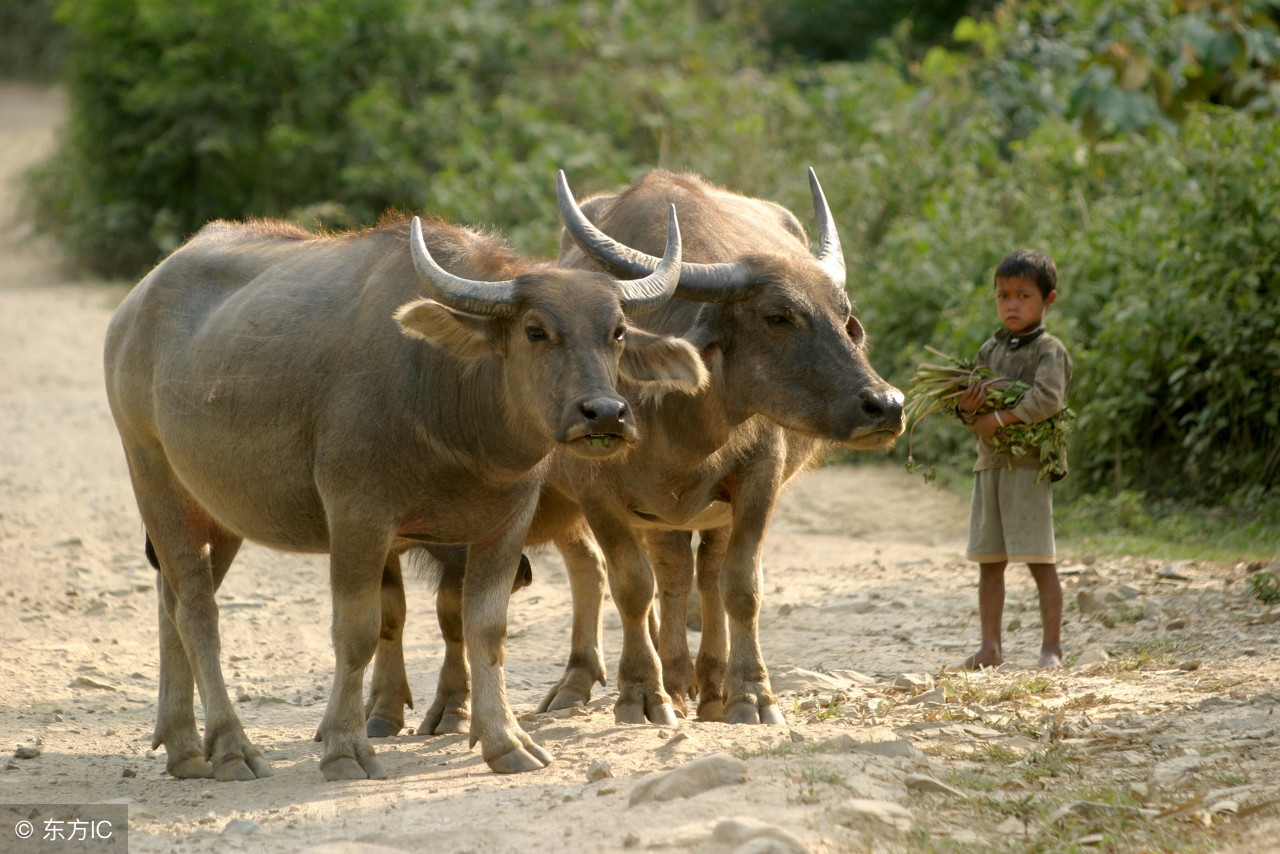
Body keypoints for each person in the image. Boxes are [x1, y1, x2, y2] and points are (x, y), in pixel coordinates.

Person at [956, 248, 1073, 670]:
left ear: (1048, 300)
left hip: (1028, 465)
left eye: (1023, 296)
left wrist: (1000, 417)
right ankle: (990, 648)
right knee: (990, 561)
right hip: (989, 465)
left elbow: (1048, 399)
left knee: (1040, 559)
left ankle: (1052, 649)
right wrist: (970, 409)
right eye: (1003, 296)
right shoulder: (990, 349)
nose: (1012, 304)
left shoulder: (1049, 351)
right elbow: (971, 406)